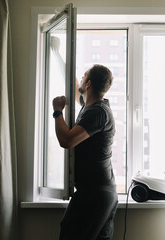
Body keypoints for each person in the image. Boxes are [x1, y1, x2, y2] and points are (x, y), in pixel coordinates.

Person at [52, 64, 118, 240]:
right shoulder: (89, 107)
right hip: (98, 191)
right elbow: (76, 88)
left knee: (70, 233)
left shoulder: (97, 112)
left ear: (88, 84)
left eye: (83, 77)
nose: (80, 79)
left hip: (95, 194)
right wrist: (59, 54)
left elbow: (66, 140)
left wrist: (58, 111)